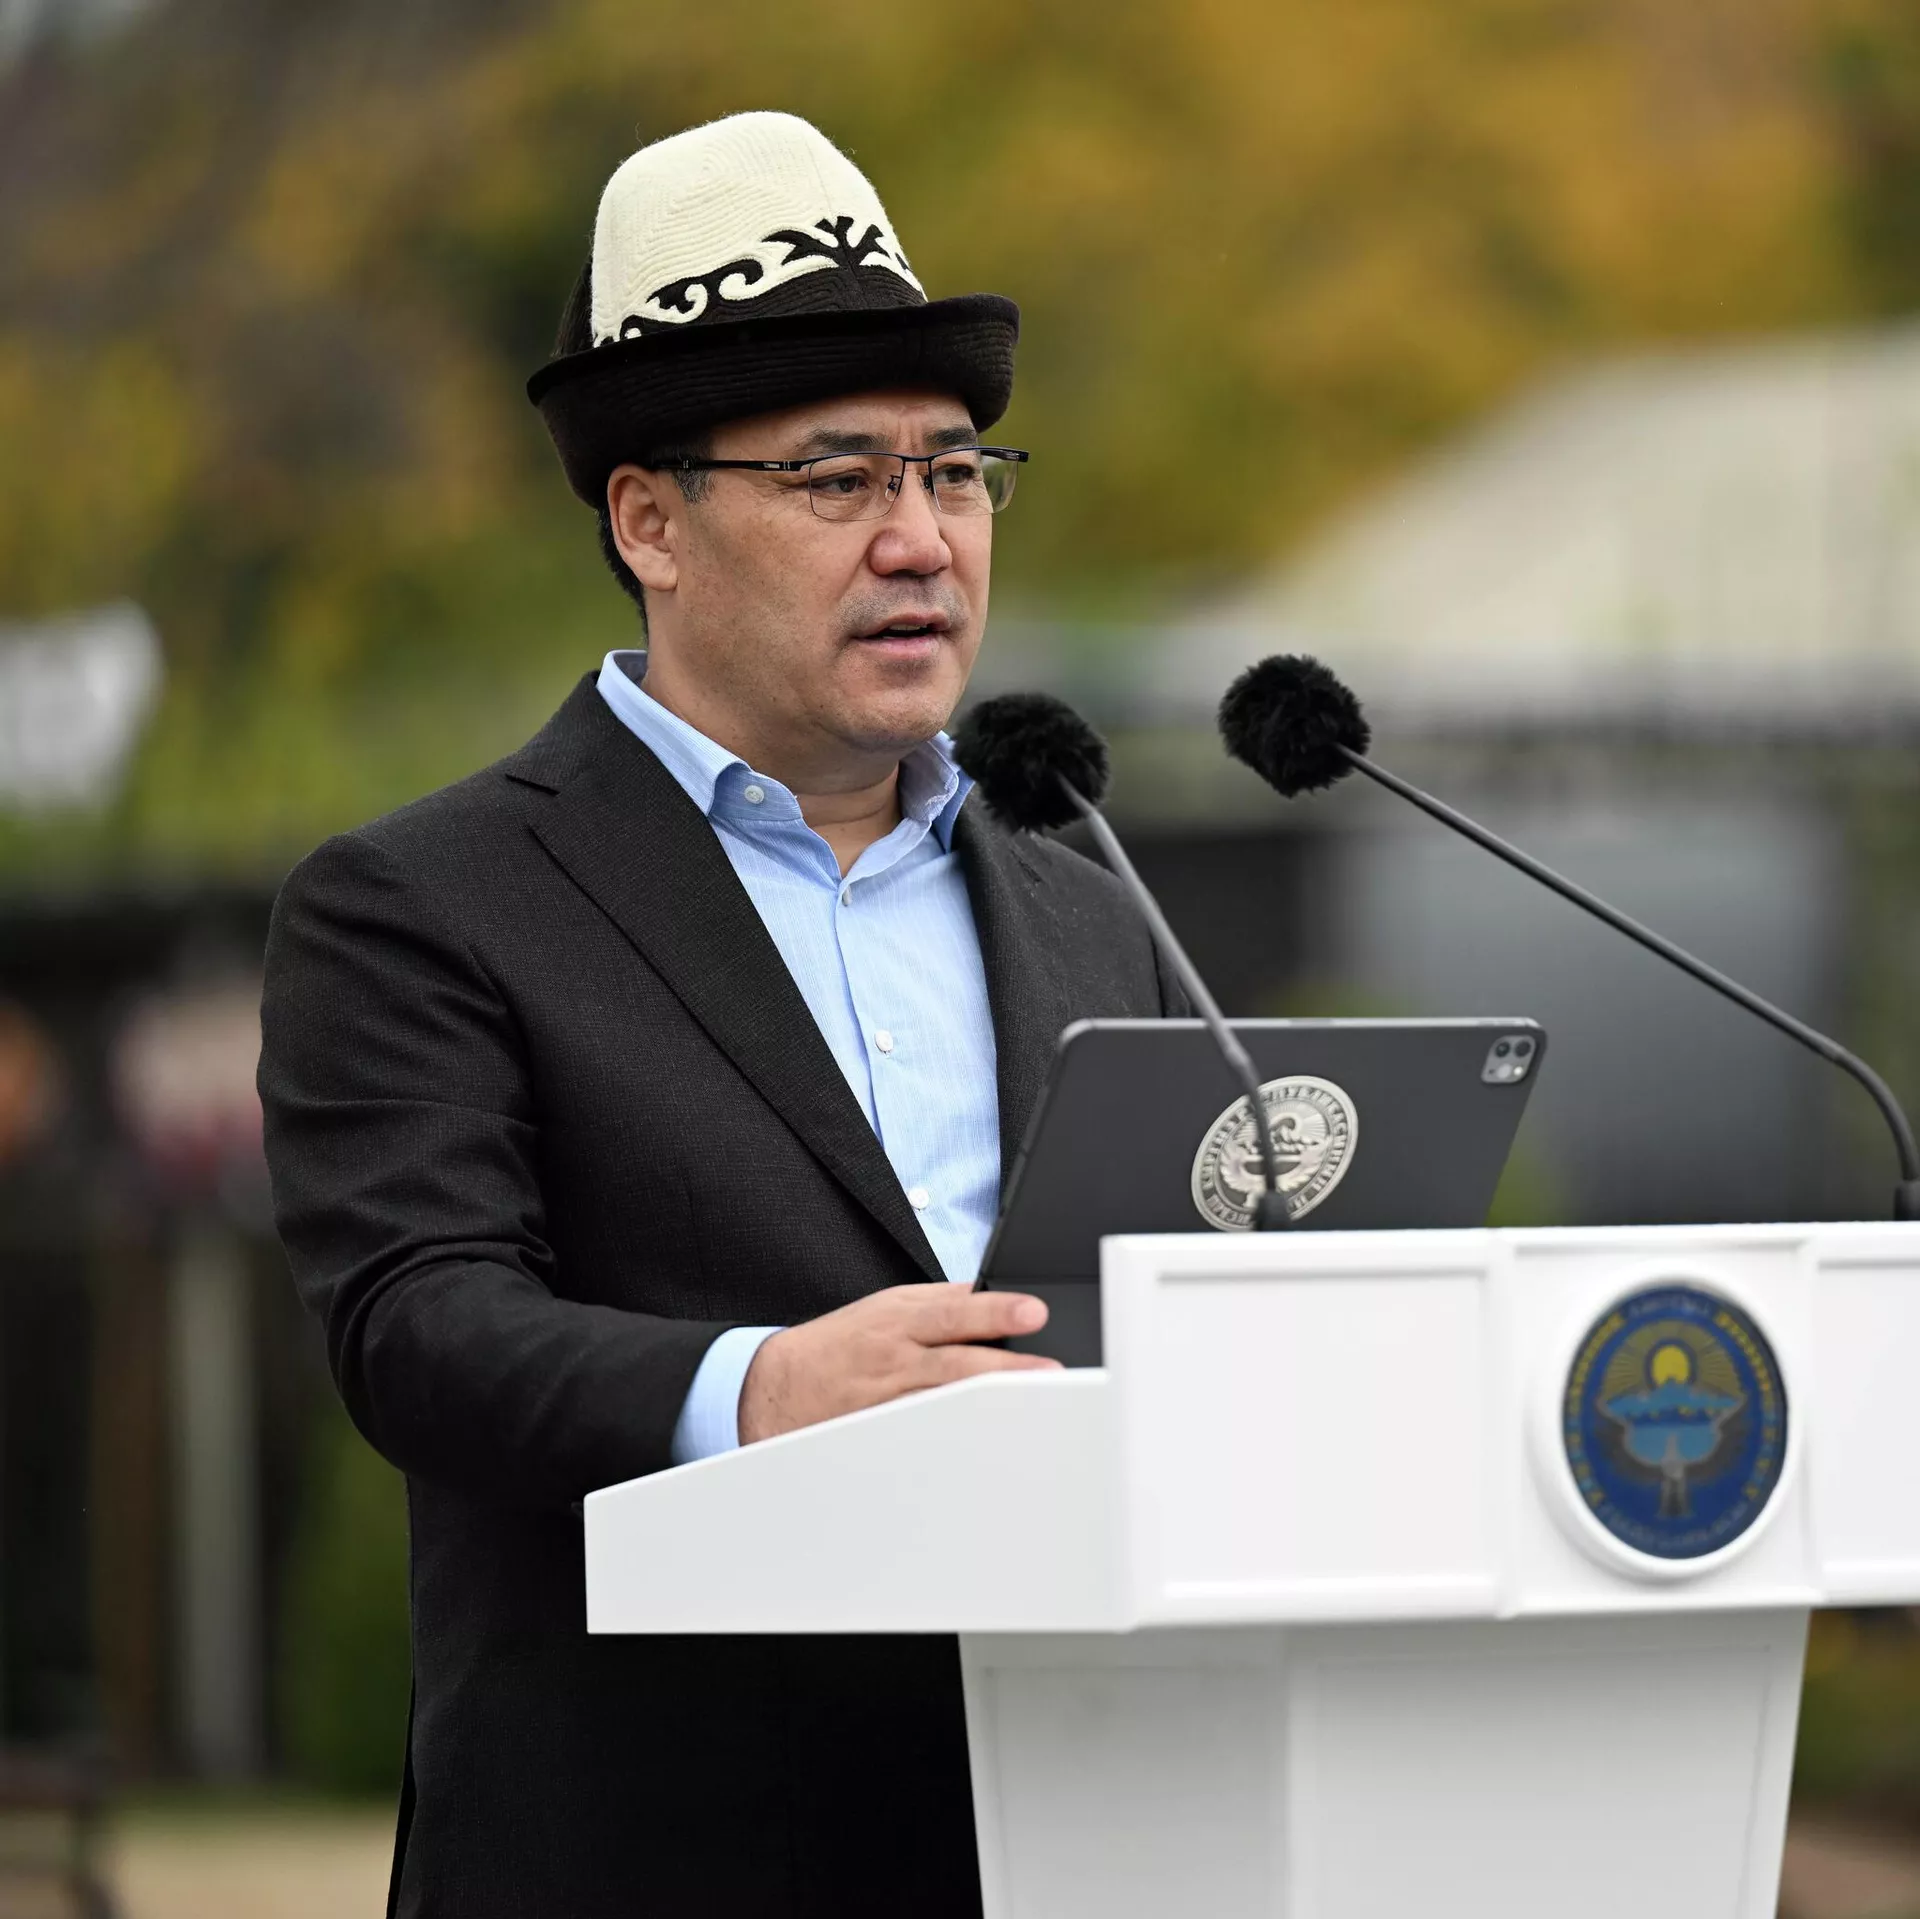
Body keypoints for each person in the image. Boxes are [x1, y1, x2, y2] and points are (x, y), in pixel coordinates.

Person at [258, 111, 1181, 1918]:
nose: (920, 540)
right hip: (654, 1857)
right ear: (649, 521)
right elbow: (418, 1326)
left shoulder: (1094, 900)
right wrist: (757, 1388)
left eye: (955, 471)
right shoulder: (421, 903)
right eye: (838, 481)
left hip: (1090, 1836)